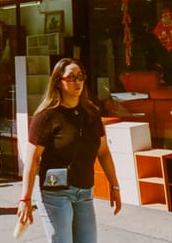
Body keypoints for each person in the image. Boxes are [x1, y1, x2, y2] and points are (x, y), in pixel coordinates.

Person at [17, 58, 121, 243]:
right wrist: (25, 199)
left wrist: (114, 186)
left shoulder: (92, 114)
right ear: (58, 81)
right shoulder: (46, 117)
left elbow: (103, 152)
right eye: (71, 78)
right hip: (56, 192)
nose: (77, 82)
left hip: (85, 192)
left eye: (80, 77)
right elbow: (32, 160)